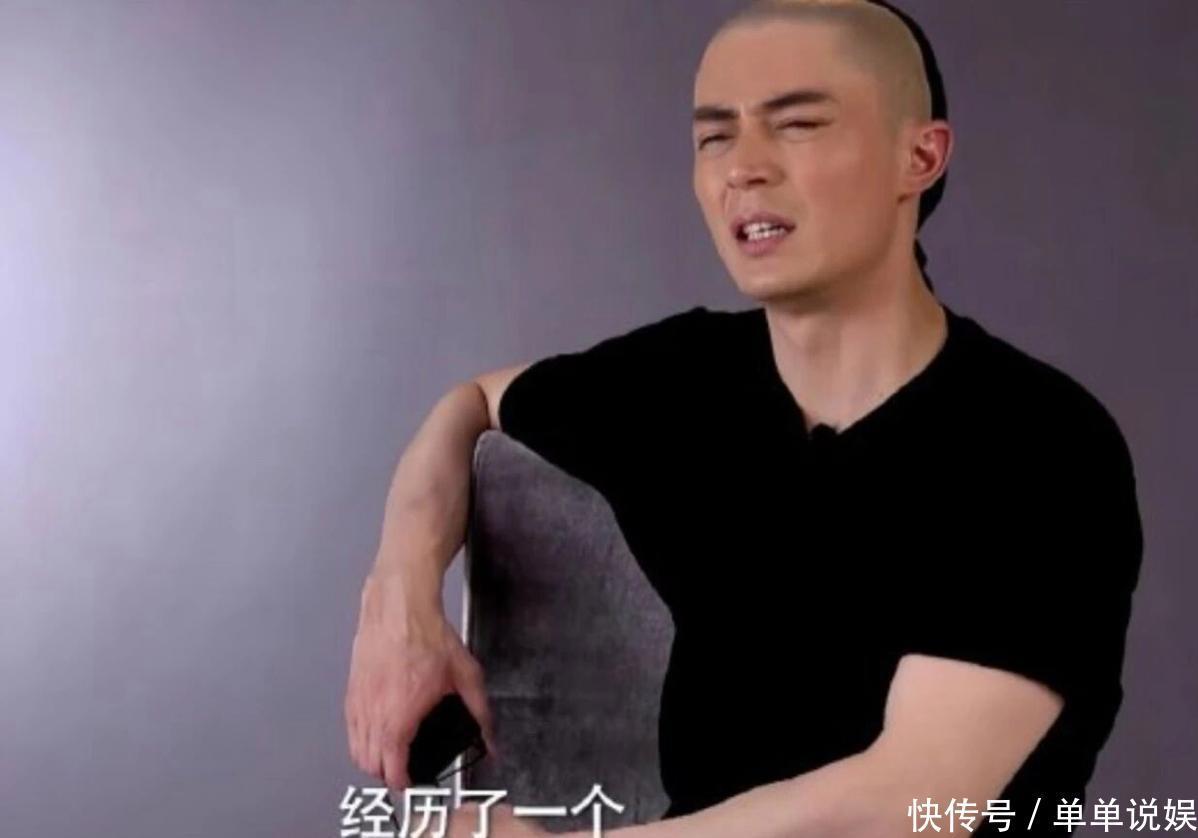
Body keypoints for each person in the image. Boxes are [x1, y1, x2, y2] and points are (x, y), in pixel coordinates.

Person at [344, 1, 1144, 835]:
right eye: (715, 137)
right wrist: (401, 598)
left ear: (920, 156)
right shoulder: (685, 384)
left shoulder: (1041, 443)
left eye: (797, 125)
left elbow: (907, 806)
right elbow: (470, 407)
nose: (744, 169)